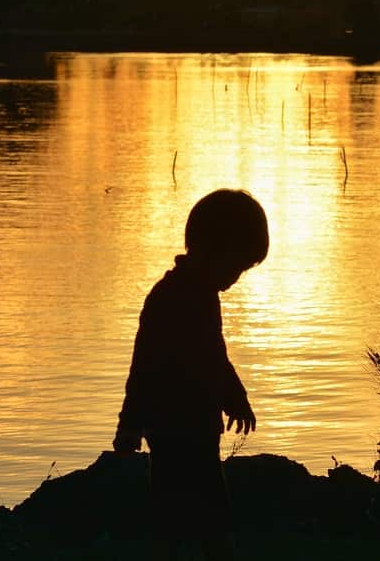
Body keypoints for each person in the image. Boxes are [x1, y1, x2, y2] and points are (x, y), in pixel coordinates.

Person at [113, 189, 269, 560]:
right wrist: (129, 424)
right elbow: (144, 366)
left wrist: (235, 398)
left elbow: (215, 356)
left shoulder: (204, 294)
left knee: (209, 508)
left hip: (199, 425)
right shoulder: (168, 297)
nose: (235, 278)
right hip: (169, 426)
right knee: (183, 508)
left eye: (242, 270)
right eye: (234, 267)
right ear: (209, 249)